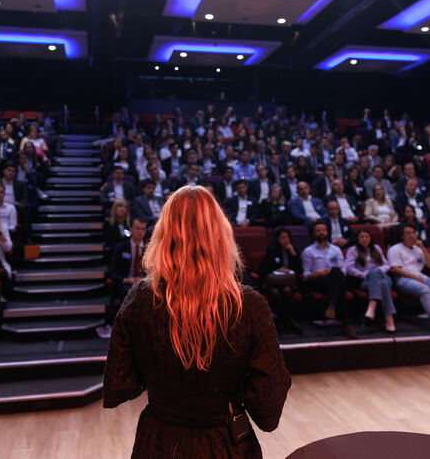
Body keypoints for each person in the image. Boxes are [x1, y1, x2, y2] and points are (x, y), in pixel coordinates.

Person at [103, 186, 290, 458]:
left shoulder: (139, 299)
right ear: (220, 234)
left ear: (164, 234)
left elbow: (119, 384)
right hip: (225, 444)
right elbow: (268, 409)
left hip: (158, 442)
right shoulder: (249, 306)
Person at [301, 221, 357, 338]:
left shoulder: (336, 249)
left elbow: (343, 270)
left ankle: (332, 307)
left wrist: (331, 271)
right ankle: (345, 323)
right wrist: (318, 272)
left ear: (327, 232)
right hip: (318, 281)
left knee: (336, 273)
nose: (321, 232)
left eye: (324, 230)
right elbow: (305, 276)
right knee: (339, 281)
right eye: (318, 230)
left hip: (334, 280)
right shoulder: (308, 251)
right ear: (314, 233)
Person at [100, 217, 148, 338]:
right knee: (128, 293)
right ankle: (127, 330)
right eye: (137, 228)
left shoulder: (150, 249)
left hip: (145, 283)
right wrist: (127, 280)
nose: (140, 232)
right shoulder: (121, 248)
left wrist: (143, 280)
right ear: (131, 229)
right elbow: (111, 272)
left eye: (143, 229)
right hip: (126, 283)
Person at [344, 229, 396, 333]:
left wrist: (376, 272)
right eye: (362, 237)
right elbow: (349, 268)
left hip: (382, 276)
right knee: (383, 284)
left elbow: (386, 265)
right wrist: (365, 275)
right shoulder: (353, 250)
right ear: (357, 239)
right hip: (365, 281)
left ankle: (372, 304)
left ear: (370, 238)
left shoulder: (376, 248)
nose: (365, 239)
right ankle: (389, 318)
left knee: (377, 275)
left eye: (367, 237)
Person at [259, 227, 304, 335]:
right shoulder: (272, 251)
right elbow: (264, 270)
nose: (286, 240)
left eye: (287, 237)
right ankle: (284, 320)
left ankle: (288, 320)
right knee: (275, 292)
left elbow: (299, 270)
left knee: (287, 290)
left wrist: (293, 253)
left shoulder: (294, 251)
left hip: (289, 282)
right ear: (278, 239)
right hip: (274, 282)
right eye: (283, 238)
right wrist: (278, 269)